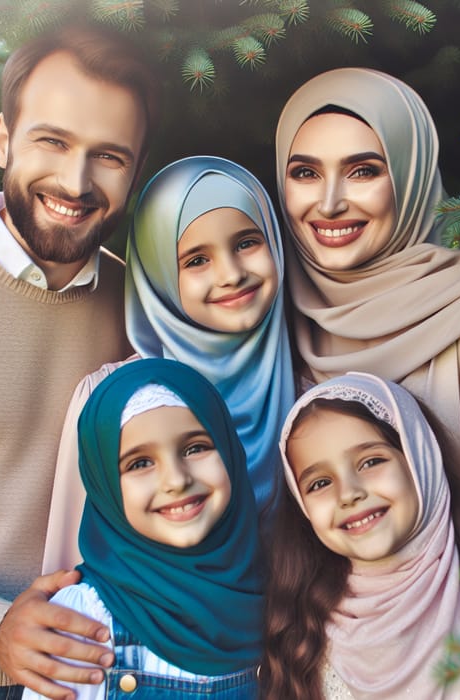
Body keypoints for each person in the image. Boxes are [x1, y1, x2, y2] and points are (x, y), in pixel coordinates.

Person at [274, 68, 460, 697]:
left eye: (363, 170)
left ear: (409, 178)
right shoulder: (274, 315)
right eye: (304, 172)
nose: (328, 203)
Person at [0, 23, 159, 700]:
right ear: (3, 140)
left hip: (92, 674)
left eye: (109, 156)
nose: (76, 181)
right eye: (53, 141)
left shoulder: (139, 312)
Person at [41, 155, 295, 573]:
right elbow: (72, 570)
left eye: (247, 242)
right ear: (158, 274)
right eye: (196, 259)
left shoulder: (312, 390)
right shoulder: (115, 400)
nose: (231, 274)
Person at [260, 371, 460, 699]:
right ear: (302, 506)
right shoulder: (302, 637)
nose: (348, 494)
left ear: (420, 461)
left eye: (370, 462)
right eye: (319, 483)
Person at [22, 358, 265, 700]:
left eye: (195, 448)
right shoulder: (83, 620)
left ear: (229, 451)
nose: (177, 480)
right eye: (140, 463)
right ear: (104, 485)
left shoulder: (281, 601)